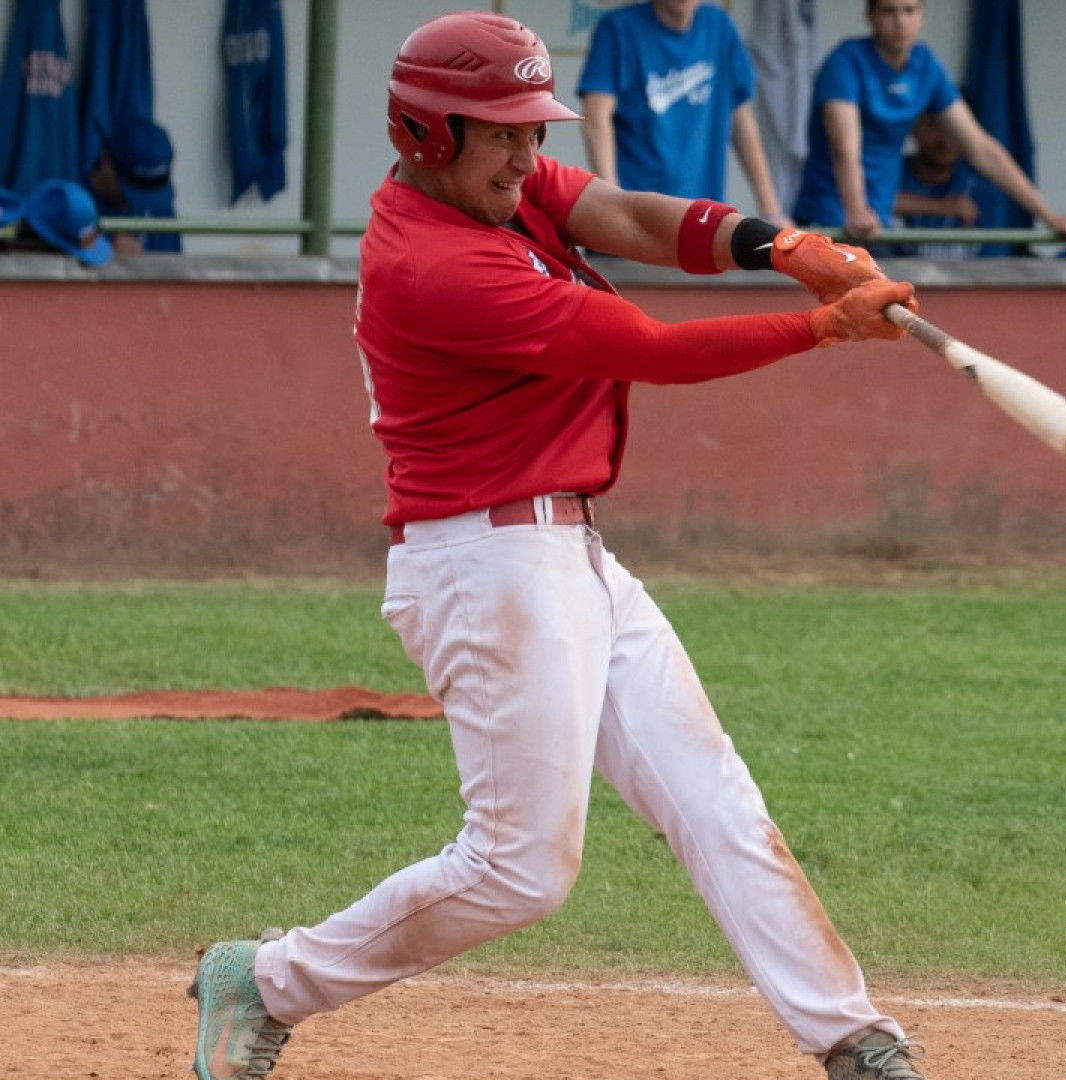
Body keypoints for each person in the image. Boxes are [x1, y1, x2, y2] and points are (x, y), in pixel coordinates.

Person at [185, 12, 935, 1080]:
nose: (527, 154)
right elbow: (650, 349)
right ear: (427, 135)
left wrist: (784, 246)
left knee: (716, 799)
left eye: (532, 130)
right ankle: (262, 982)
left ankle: (853, 1038)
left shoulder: (498, 183)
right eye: (502, 135)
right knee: (520, 871)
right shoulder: (436, 264)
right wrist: (821, 325)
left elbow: (626, 211)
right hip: (487, 570)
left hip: (570, 553)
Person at [790, 0, 1066, 246]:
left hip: (878, 223)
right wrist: (854, 209)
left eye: (909, 11)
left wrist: (1050, 217)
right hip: (830, 218)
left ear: (922, 16)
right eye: (889, 11)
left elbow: (981, 147)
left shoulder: (926, 65)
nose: (900, 21)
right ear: (870, 16)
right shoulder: (845, 61)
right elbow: (845, 146)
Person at [578, 0, 792, 226]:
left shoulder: (719, 26)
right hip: (637, 220)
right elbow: (595, 118)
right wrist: (613, 206)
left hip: (702, 219)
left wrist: (771, 211)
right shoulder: (618, 28)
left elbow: (742, 120)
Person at [887, 110, 983, 258]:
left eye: (954, 128)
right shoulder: (891, 170)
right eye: (933, 124)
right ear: (913, 127)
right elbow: (866, 201)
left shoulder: (980, 179)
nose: (944, 137)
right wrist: (942, 207)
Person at [88, 117, 182, 255]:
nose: (144, 203)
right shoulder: (68, 204)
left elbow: (174, 270)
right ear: (105, 161)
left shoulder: (161, 211)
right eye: (134, 190)